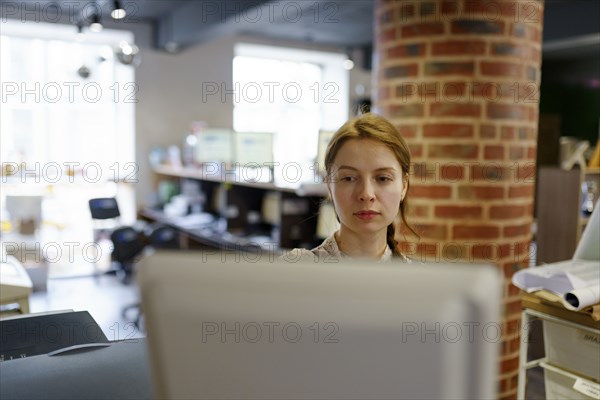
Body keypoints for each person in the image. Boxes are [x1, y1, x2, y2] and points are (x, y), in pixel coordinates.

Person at [283, 113, 416, 263]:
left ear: (404, 187)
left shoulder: (417, 282)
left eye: (383, 178)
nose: (366, 194)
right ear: (329, 186)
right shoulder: (297, 269)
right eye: (349, 178)